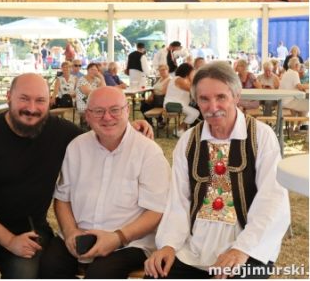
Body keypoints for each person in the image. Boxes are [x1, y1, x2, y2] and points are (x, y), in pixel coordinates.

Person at [0, 74, 156, 278]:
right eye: (24, 98)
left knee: (29, 275)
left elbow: (101, 132)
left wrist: (129, 126)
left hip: (29, 228)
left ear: (49, 101)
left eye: (40, 100)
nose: (32, 108)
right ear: (8, 97)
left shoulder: (63, 133)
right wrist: (9, 241)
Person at [145, 62, 290, 279]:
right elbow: (179, 200)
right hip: (194, 246)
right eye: (204, 99)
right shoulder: (188, 141)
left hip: (247, 243)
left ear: (236, 96)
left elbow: (272, 198)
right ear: (196, 101)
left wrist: (241, 250)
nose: (213, 107)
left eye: (221, 97)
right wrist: (168, 244)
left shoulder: (260, 136)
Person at [40, 86, 169, 278]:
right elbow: (62, 199)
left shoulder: (148, 152)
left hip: (129, 241)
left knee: (101, 273)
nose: (107, 117)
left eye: (115, 110)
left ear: (127, 110)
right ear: (88, 116)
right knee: (49, 266)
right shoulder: (77, 147)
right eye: (98, 111)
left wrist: (118, 237)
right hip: (79, 234)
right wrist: (70, 232)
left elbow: (156, 211)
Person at [164, 63, 199, 135]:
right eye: (192, 73)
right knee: (195, 113)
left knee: (194, 111)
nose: (193, 75)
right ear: (187, 72)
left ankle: (183, 129)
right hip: (172, 105)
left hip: (176, 104)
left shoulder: (180, 79)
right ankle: (179, 129)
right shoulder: (179, 79)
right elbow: (192, 89)